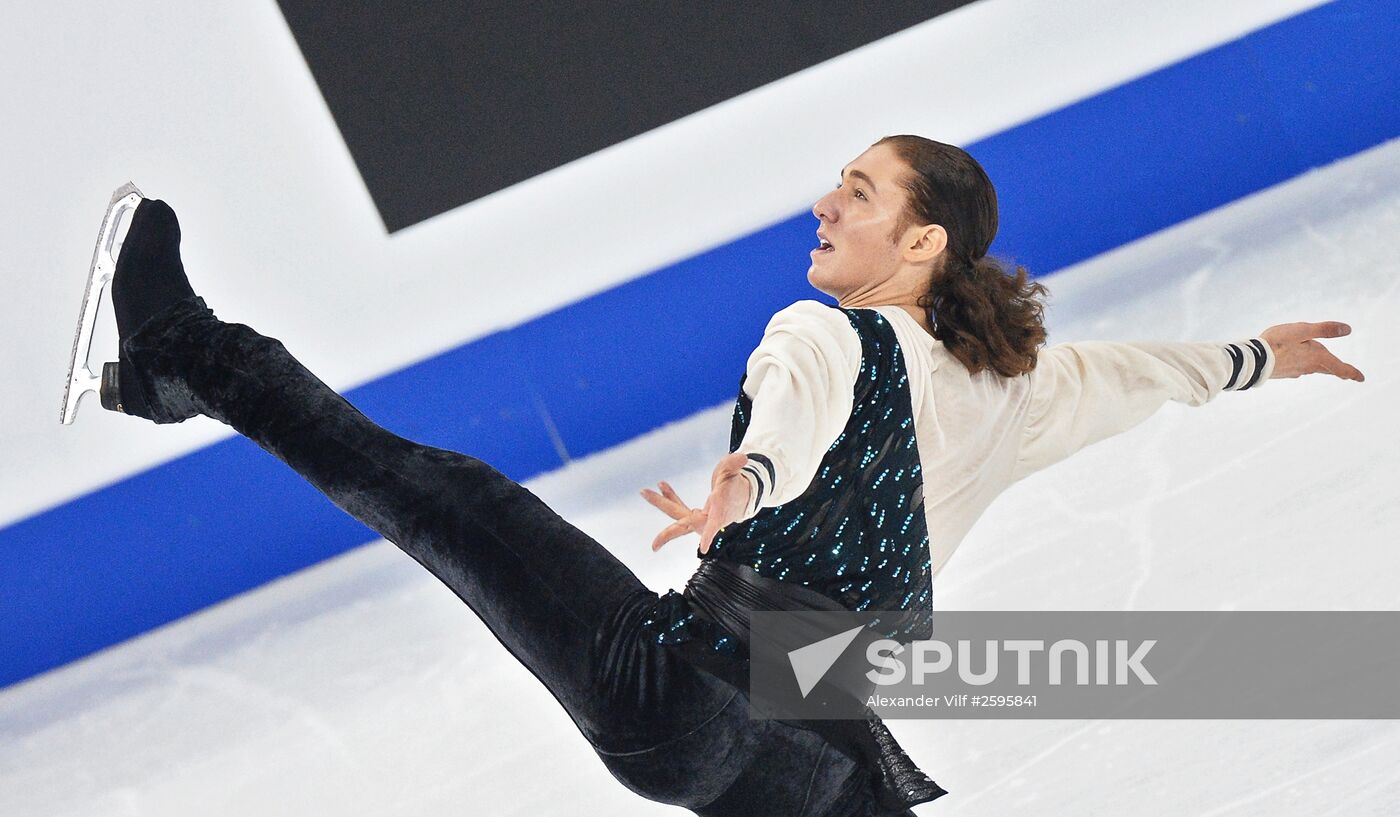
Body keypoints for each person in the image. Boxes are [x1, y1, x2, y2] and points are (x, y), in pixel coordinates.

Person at [66, 135, 1363, 816]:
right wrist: (1255, 355)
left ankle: (190, 353)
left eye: (857, 193)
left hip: (692, 690)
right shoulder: (1015, 387)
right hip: (821, 769)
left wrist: (740, 483)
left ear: (917, 239)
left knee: (441, 498)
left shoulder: (827, 333)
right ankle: (170, 376)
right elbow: (1136, 375)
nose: (826, 205)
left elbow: (795, 413)